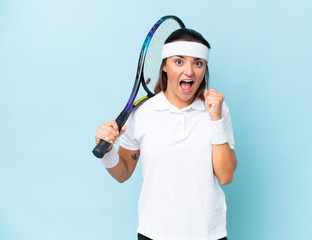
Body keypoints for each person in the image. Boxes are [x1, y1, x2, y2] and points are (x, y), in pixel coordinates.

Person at [95, 28, 237, 240]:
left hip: (208, 234)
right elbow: (123, 173)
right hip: (154, 234)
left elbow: (225, 176)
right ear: (164, 65)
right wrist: (107, 151)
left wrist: (215, 118)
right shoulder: (142, 113)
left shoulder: (218, 110)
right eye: (179, 61)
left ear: (205, 68)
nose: (189, 71)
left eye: (198, 63)